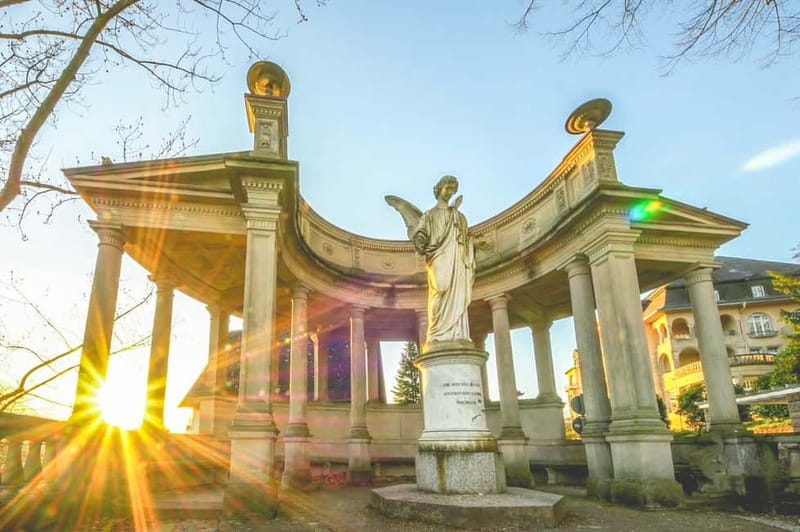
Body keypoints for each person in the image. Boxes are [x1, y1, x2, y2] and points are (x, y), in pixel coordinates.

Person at [412, 175, 475, 344]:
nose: (450, 193)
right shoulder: (429, 215)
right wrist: (419, 241)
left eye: (453, 191)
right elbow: (420, 232)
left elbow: (465, 237)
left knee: (456, 289)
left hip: (456, 256)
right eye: (447, 189)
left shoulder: (459, 216)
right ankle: (435, 331)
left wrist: (474, 243)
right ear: (439, 189)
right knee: (440, 288)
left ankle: (456, 331)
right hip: (438, 255)